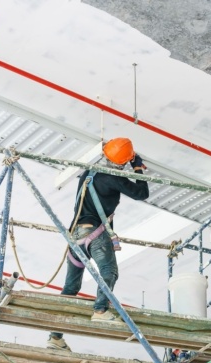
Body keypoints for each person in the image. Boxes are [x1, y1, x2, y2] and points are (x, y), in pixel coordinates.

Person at [47, 137, 149, 351]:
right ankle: (100, 310)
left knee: (71, 287)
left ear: (104, 154)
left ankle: (55, 337)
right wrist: (137, 167)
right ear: (123, 162)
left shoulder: (88, 173)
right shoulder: (113, 177)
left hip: (76, 236)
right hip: (95, 233)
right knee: (109, 270)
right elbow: (142, 193)